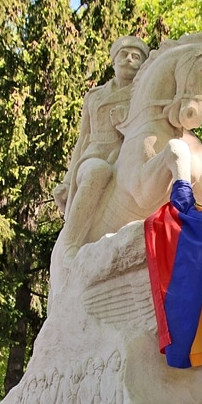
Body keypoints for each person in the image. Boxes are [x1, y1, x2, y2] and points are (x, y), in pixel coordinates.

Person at [53, 36, 149, 259]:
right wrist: (68, 181)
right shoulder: (94, 96)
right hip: (96, 155)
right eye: (124, 55)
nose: (129, 59)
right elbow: (82, 139)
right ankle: (70, 242)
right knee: (98, 171)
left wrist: (125, 124)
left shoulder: (143, 95)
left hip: (127, 155)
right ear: (113, 62)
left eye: (136, 57)